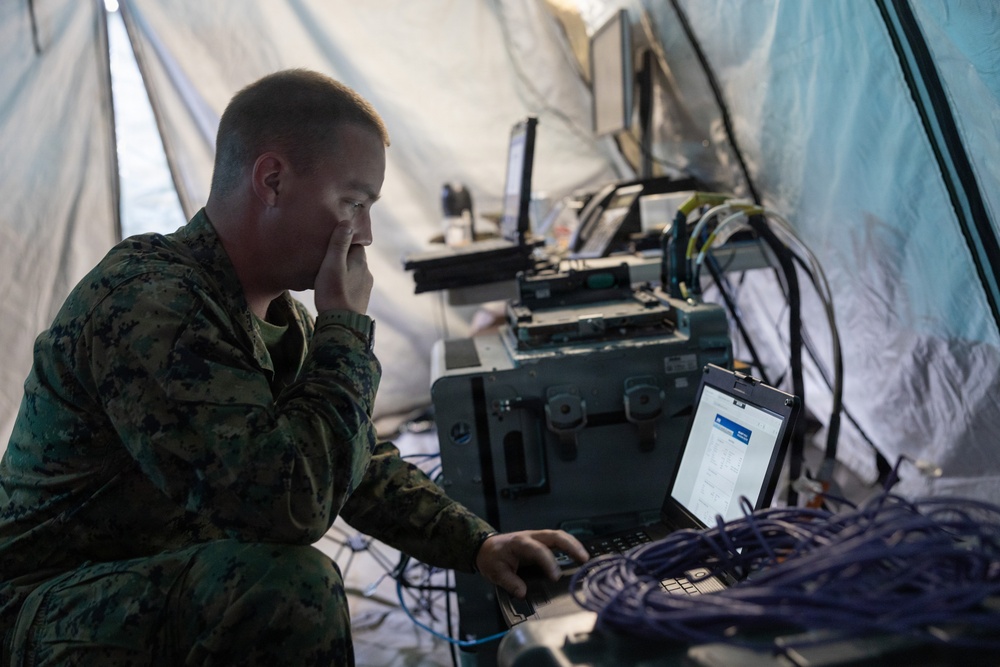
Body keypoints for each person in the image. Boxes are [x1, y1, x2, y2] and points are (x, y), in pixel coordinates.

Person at [0, 69, 587, 666]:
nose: (365, 233)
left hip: (150, 579)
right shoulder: (150, 302)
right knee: (287, 591)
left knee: (271, 582)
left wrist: (479, 544)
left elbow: (356, 463)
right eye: (353, 203)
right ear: (273, 180)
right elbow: (289, 506)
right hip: (45, 608)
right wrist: (346, 329)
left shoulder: (276, 314)